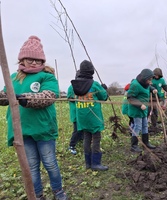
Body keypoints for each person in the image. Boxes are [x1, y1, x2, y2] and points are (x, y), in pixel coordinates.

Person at [0, 36, 68, 200]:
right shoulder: (14, 78)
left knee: (50, 163)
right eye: (30, 59)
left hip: (43, 128)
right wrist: (3, 96)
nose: (34, 62)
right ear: (22, 58)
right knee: (31, 165)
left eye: (38, 60)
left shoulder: (47, 76)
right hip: (23, 130)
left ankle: (58, 192)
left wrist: (24, 98)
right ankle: (37, 194)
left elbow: (49, 96)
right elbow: (5, 96)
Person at [71, 60, 108, 171]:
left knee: (87, 138)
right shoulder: (94, 84)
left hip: (82, 118)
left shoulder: (75, 85)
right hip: (93, 117)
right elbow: (104, 97)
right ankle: (96, 163)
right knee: (96, 138)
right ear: (91, 71)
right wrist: (104, 89)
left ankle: (88, 163)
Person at [127, 69, 157, 152]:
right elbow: (130, 98)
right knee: (138, 126)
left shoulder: (145, 84)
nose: (150, 81)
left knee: (145, 125)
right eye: (149, 79)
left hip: (144, 109)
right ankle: (134, 146)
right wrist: (140, 105)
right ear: (145, 78)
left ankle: (146, 142)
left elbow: (148, 87)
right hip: (136, 110)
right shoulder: (135, 85)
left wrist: (153, 89)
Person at [67, 71, 84, 155]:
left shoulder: (84, 86)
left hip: (82, 111)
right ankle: (71, 145)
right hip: (76, 111)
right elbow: (70, 98)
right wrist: (77, 97)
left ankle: (81, 140)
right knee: (77, 129)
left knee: (83, 129)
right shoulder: (72, 87)